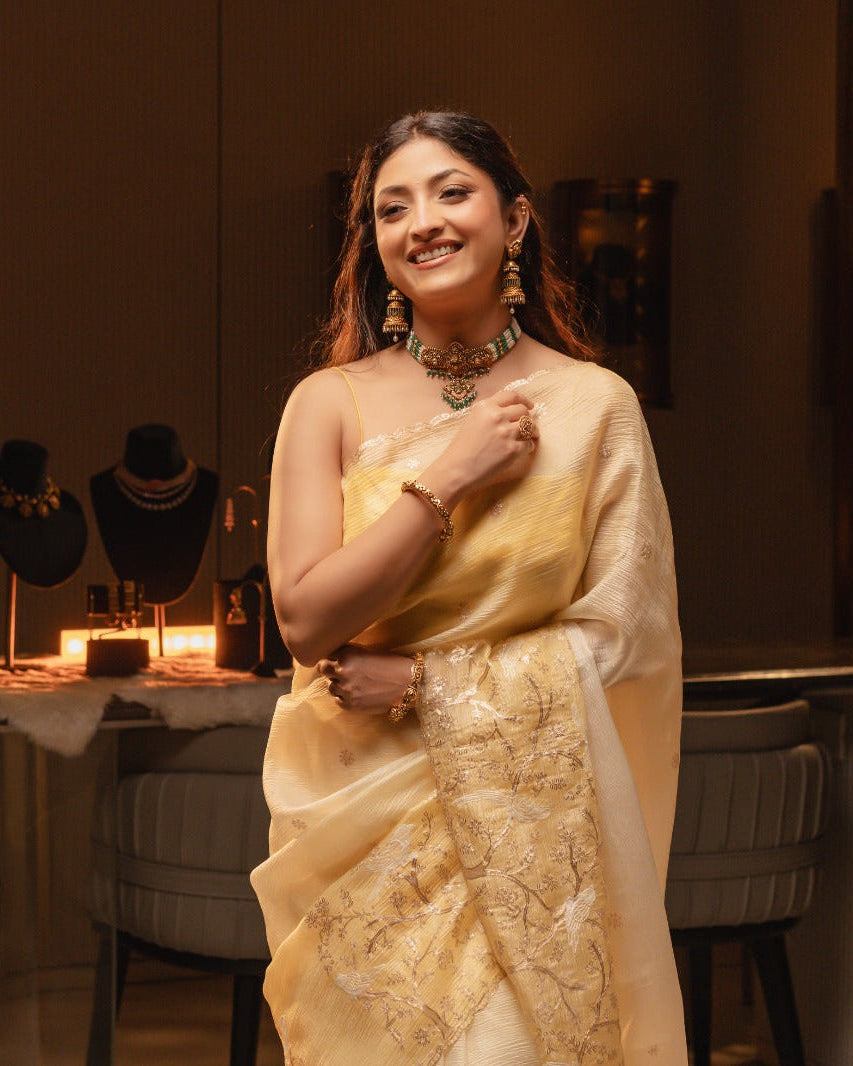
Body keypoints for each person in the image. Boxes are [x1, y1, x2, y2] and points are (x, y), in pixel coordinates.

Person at [251, 111, 687, 1066]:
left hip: (535, 831)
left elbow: (627, 638)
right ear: (372, 242)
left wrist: (426, 683)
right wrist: (447, 477)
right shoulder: (329, 402)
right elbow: (305, 617)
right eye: (390, 209)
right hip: (362, 823)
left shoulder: (593, 406)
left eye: (452, 192)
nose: (422, 223)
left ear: (515, 219)